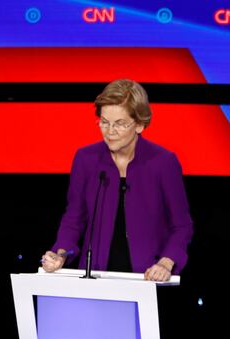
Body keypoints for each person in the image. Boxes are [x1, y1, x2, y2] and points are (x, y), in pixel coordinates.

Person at [41, 79, 193, 281]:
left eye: (119, 124)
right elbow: (74, 218)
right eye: (104, 122)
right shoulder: (86, 159)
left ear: (139, 124)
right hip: (95, 276)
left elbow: (182, 226)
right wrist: (60, 254)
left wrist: (166, 262)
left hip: (147, 279)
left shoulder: (163, 163)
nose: (110, 131)